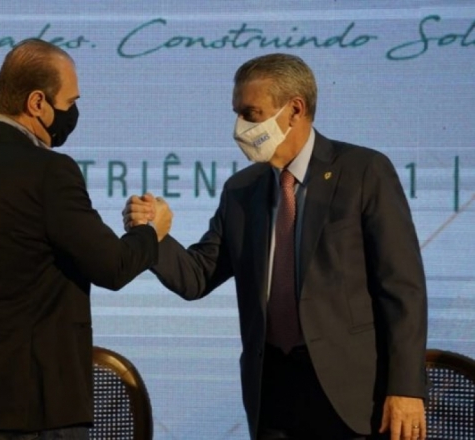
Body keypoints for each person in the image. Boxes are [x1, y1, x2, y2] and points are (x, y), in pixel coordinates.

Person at [123, 53, 427, 440]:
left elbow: (402, 288)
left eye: (251, 114)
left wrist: (405, 387)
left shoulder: (364, 171)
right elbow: (197, 277)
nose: (240, 127)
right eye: (237, 114)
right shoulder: (241, 190)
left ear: (294, 109)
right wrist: (153, 237)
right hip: (273, 391)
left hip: (353, 395)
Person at [0, 39, 171, 440]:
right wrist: (151, 230)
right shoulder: (50, 172)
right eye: (70, 100)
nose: (74, 112)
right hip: (36, 404)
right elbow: (113, 267)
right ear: (37, 103)